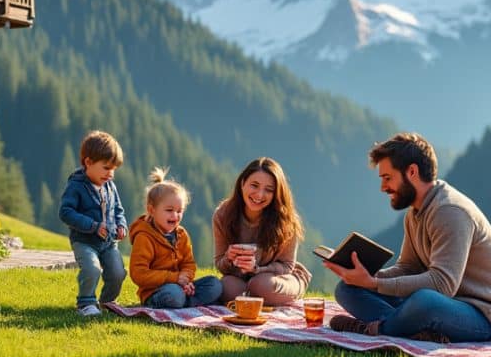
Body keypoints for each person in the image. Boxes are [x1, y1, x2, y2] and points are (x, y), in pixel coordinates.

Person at [324, 132, 491, 342]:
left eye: (388, 178)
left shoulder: (449, 211)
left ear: (412, 172)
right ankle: (411, 330)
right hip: (444, 305)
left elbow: (443, 284)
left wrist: (374, 284)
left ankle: (371, 330)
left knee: (424, 302)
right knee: (347, 289)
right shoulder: (415, 212)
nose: (383, 187)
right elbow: (408, 267)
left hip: (483, 317)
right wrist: (367, 278)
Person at [212, 157, 312, 305]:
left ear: (276, 194)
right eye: (254, 185)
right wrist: (228, 258)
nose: (259, 195)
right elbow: (220, 265)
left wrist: (257, 269)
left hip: (279, 277)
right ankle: (256, 299)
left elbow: (287, 266)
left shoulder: (285, 219)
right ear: (242, 183)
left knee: (261, 286)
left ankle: (285, 293)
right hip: (241, 278)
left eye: (269, 190)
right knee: (227, 288)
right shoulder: (223, 215)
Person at [129, 167, 222, 309]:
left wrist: (186, 279)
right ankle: (184, 302)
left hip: (180, 287)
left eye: (180, 211)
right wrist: (174, 279)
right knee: (174, 294)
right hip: (156, 292)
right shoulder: (144, 237)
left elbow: (188, 263)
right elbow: (139, 274)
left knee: (214, 284)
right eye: (169, 210)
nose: (175, 215)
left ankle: (185, 301)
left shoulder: (182, 234)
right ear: (151, 210)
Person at [58, 130, 128, 317]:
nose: (110, 174)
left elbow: (118, 210)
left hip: (108, 242)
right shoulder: (76, 186)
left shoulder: (109, 186)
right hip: (85, 241)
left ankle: (107, 302)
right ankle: (86, 303)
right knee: (92, 269)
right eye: (106, 168)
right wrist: (93, 225)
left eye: (113, 169)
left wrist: (121, 225)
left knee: (118, 272)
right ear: (88, 162)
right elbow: (65, 213)